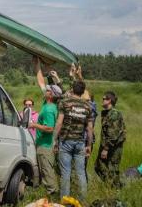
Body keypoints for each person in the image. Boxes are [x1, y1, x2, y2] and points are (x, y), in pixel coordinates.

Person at [53, 79, 93, 205]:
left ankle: (65, 202)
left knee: (66, 173)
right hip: (80, 142)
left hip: (65, 142)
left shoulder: (65, 102)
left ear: (72, 89)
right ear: (82, 91)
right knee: (81, 173)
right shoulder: (88, 106)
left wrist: (54, 140)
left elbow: (59, 123)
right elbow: (90, 128)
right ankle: (82, 202)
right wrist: (89, 145)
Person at [30, 57, 63, 196]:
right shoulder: (48, 103)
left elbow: (49, 129)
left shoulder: (49, 109)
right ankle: (50, 194)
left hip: (46, 145)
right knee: (46, 171)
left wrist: (33, 124)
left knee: (48, 173)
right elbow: (41, 81)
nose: (45, 90)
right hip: (43, 144)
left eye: (48, 90)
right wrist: (37, 64)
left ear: (51, 95)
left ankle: (53, 196)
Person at [95, 91, 126, 188]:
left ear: (109, 101)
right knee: (98, 166)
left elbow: (113, 135)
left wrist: (106, 149)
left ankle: (115, 188)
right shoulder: (106, 113)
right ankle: (110, 185)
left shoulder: (114, 114)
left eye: (104, 99)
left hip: (113, 147)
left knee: (112, 168)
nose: (102, 100)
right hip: (106, 145)